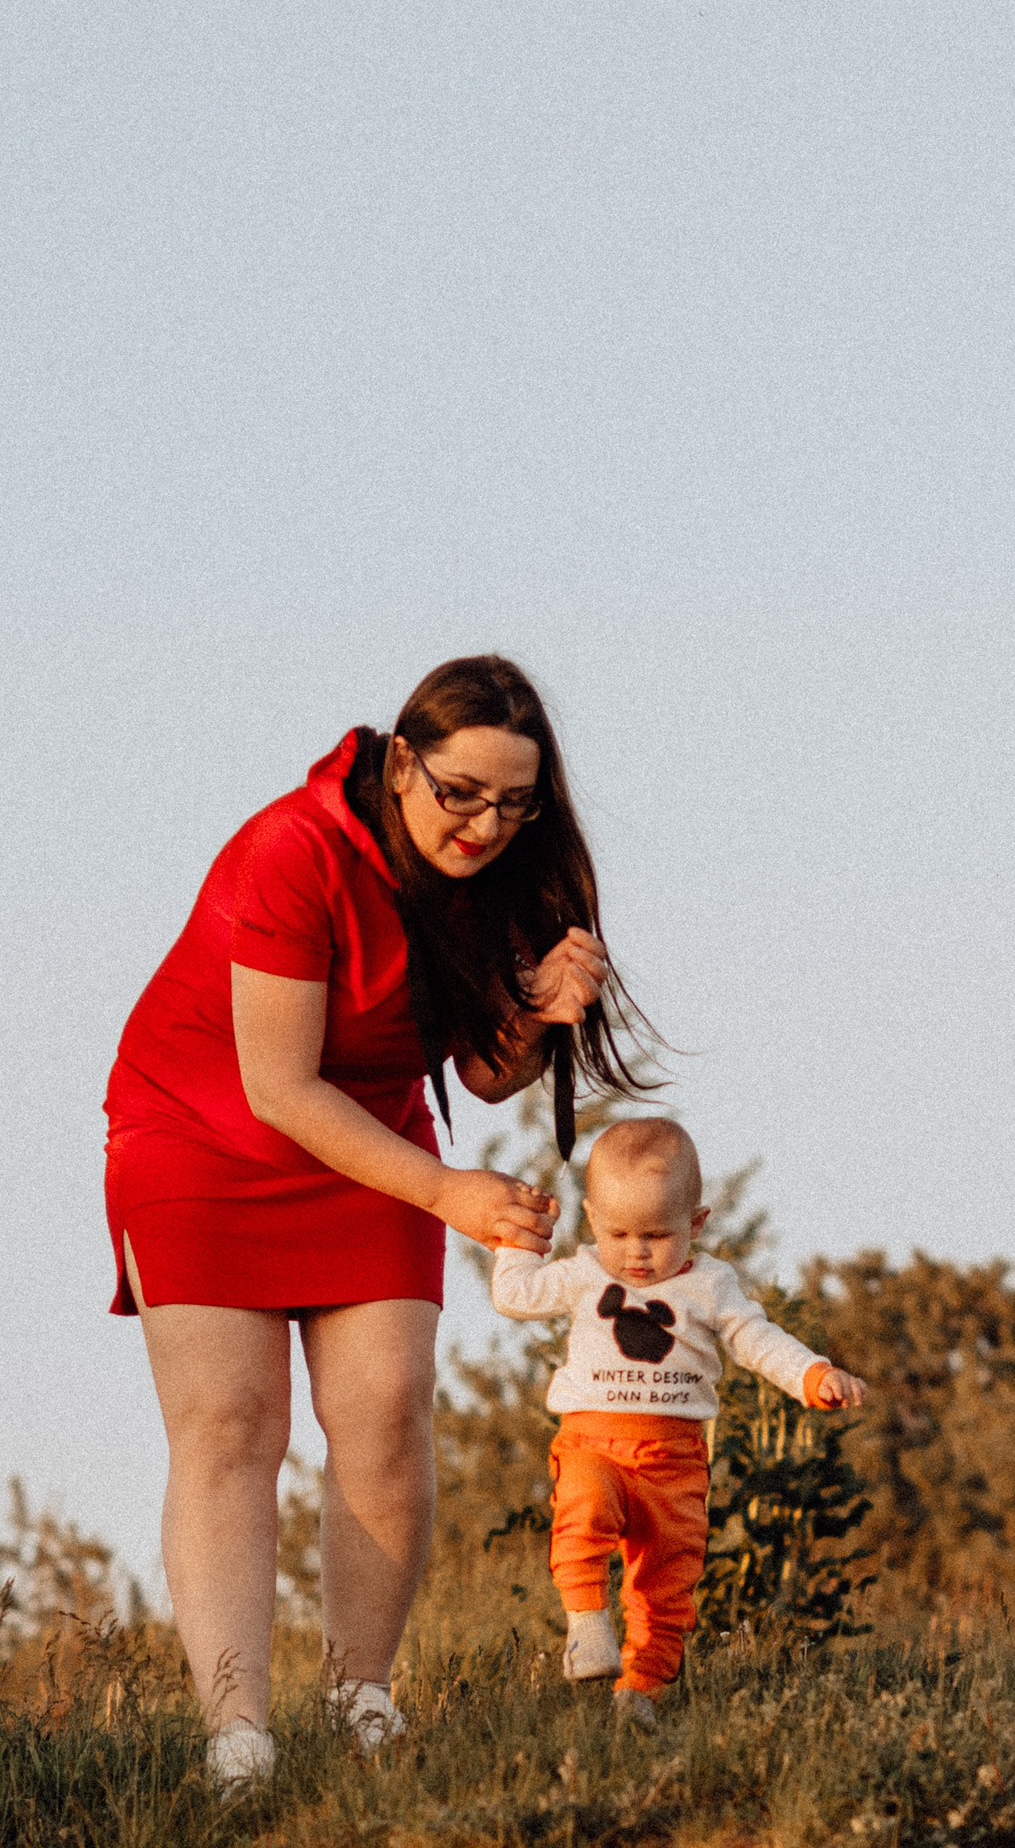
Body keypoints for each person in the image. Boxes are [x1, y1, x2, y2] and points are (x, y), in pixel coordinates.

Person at [105, 659, 649, 1790]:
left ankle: (362, 1700)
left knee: (388, 1411)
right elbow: (279, 1087)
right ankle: (237, 1735)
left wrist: (544, 1012)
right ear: (401, 762)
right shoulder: (289, 852)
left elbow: (484, 1076)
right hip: (202, 1139)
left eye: (514, 803)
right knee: (230, 1425)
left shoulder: (498, 878)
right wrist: (449, 1192)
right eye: (461, 792)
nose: (485, 824)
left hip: (369, 1138)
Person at [488, 1115, 867, 1718]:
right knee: (582, 1509)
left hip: (675, 1463)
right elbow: (517, 1295)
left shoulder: (711, 1285)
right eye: (619, 1233)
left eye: (657, 1236)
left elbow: (757, 1339)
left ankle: (642, 1693)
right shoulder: (587, 1273)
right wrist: (518, 1239)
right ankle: (587, 1625)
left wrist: (812, 1374)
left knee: (667, 1585)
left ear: (696, 1224)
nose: (636, 1252)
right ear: (591, 1219)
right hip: (594, 1443)